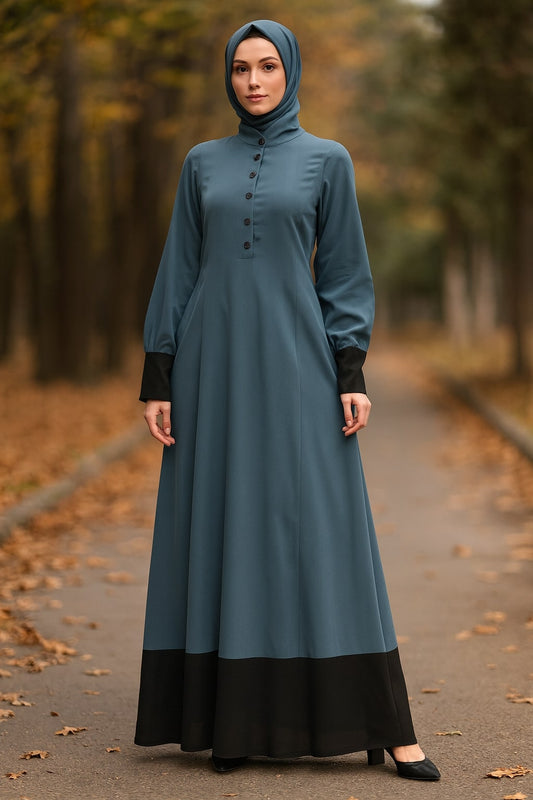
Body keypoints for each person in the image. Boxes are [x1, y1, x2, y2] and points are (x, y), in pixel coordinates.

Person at [134, 19, 440, 783]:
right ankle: (230, 721)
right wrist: (158, 374)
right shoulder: (200, 162)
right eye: (240, 69)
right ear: (228, 78)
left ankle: (389, 727)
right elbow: (179, 267)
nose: (254, 81)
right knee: (225, 521)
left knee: (324, 527)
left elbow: (343, 272)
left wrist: (350, 369)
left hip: (298, 362)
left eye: (267, 66)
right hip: (211, 366)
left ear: (289, 70)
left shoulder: (326, 161)